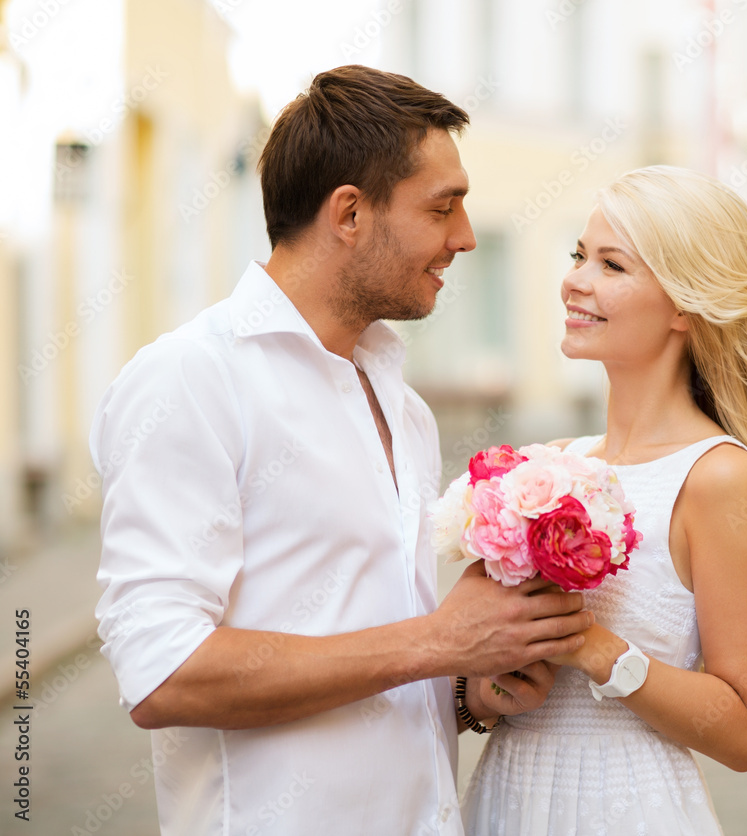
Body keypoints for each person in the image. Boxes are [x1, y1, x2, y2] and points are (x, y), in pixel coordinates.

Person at [90, 65, 593, 836]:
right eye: (442, 207)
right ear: (349, 214)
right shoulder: (191, 379)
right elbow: (163, 674)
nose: (463, 237)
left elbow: (381, 654)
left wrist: (468, 691)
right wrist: (438, 641)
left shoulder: (404, 404)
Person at [460, 165, 747, 835]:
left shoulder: (717, 477)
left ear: (684, 304)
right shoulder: (547, 466)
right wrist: (491, 686)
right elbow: (492, 675)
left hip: (626, 809)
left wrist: (595, 649)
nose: (576, 280)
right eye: (578, 256)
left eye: (611, 264)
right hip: (508, 798)